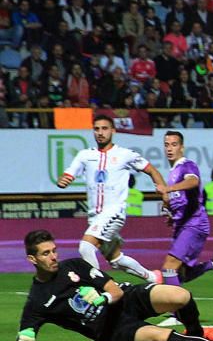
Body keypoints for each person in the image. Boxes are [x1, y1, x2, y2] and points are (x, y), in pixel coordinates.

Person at [15, 230, 213, 341]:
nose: (53, 257)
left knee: (181, 295)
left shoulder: (75, 266)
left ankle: (196, 334)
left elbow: (115, 291)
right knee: (161, 335)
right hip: (111, 330)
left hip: (126, 300)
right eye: (46, 253)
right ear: (32, 259)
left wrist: (101, 299)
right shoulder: (37, 302)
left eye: (54, 250)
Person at [56, 115, 166, 283]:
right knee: (115, 259)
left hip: (113, 212)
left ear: (113, 131)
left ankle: (100, 288)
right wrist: (63, 180)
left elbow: (151, 169)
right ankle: (153, 277)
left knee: (86, 247)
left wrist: (164, 192)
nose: (100, 133)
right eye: (97, 129)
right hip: (95, 217)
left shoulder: (124, 154)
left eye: (104, 128)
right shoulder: (85, 155)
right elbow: (69, 173)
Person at [158, 131, 213, 291]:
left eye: (174, 144)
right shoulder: (173, 172)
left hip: (194, 223)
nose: (169, 149)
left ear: (182, 148)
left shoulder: (187, 165)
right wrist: (171, 212)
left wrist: (168, 189)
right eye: (166, 145)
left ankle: (176, 314)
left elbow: (193, 181)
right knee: (181, 275)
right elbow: (182, 200)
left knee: (169, 267)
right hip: (182, 225)